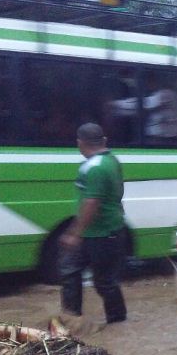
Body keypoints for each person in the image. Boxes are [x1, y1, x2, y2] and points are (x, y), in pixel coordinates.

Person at [58, 123, 127, 325]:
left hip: (99, 234)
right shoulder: (112, 160)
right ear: (103, 141)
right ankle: (75, 320)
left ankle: (80, 319)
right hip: (107, 231)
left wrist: (75, 234)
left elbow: (91, 203)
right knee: (77, 273)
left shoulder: (94, 167)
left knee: (101, 281)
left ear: (80, 143)